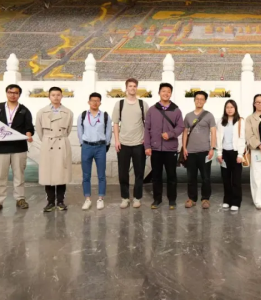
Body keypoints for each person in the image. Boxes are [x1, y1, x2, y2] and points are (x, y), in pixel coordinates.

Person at [0, 84, 34, 214]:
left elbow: (29, 127)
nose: (13, 95)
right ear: (6, 93)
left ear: (19, 95)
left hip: (19, 148)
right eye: (10, 92)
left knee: (19, 176)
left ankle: (20, 199)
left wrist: (29, 134)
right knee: (1, 176)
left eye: (16, 93)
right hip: (1, 148)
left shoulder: (24, 110)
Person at [144, 83, 184, 210]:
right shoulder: (152, 110)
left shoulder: (176, 110)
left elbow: (180, 127)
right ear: (159, 93)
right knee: (156, 176)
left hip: (170, 149)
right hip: (155, 149)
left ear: (171, 94)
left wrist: (170, 134)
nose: (166, 93)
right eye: (163, 91)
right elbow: (147, 128)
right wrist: (147, 146)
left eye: (168, 91)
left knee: (171, 175)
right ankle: (157, 199)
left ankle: (172, 200)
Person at [36, 87, 74, 212]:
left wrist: (60, 138)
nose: (56, 97)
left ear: (62, 96)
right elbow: (39, 131)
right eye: (53, 95)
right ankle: (50, 202)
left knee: (62, 174)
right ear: (49, 97)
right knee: (48, 175)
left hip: (62, 143)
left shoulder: (68, 112)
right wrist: (47, 140)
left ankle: (61, 201)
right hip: (48, 144)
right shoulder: (42, 112)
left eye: (58, 95)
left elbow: (68, 130)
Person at [113, 78, 149, 209]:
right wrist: (117, 140)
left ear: (136, 88)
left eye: (134, 86)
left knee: (139, 172)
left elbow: (148, 124)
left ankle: (137, 198)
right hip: (123, 143)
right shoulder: (120, 104)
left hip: (139, 143)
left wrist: (146, 139)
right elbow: (115, 123)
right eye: (130, 86)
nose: (132, 88)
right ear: (126, 88)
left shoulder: (143, 104)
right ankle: (125, 198)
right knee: (123, 172)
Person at [78, 92, 112, 211]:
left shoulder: (105, 116)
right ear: (89, 102)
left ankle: (100, 199)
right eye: (92, 100)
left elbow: (108, 132)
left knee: (101, 174)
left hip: (100, 147)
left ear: (100, 103)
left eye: (97, 101)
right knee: (86, 175)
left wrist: (105, 144)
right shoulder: (82, 115)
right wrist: (83, 143)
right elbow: (80, 131)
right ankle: (87, 199)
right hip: (86, 147)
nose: (95, 103)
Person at [182, 91, 217, 209]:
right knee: (191, 177)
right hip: (191, 151)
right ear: (194, 100)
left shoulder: (209, 115)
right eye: (197, 99)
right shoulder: (188, 116)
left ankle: (205, 199)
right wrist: (184, 148)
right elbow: (185, 132)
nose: (199, 101)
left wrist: (212, 148)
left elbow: (213, 132)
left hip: (205, 151)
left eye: (202, 99)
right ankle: (192, 199)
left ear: (205, 101)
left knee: (205, 177)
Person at [216, 100, 245, 212]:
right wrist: (219, 153)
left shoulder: (240, 121)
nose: (229, 109)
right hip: (224, 153)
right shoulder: (221, 121)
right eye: (227, 107)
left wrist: (240, 154)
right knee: (226, 178)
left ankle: (236, 201)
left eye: (232, 107)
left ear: (235, 108)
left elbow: (242, 138)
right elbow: (219, 138)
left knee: (236, 179)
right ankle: (227, 200)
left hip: (235, 152)